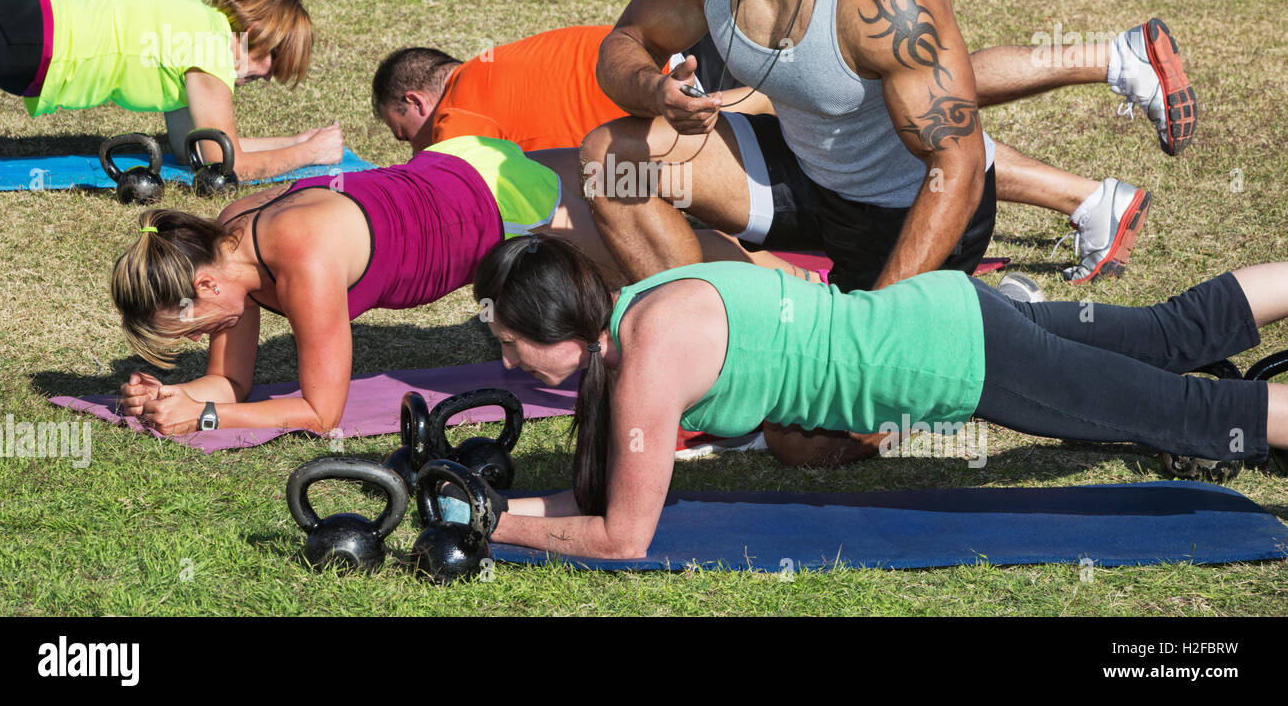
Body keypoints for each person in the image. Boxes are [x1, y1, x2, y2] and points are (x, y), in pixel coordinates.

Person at [586, 0, 1193, 295]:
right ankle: (690, 335)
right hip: (807, 175)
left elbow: (957, 167)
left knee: (840, 407)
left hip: (903, 211)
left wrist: (882, 321)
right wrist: (656, 92)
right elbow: (625, 42)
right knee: (610, 159)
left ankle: (994, 314)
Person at [470, 235, 1284, 560]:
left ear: (560, 324)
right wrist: (487, 507)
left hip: (956, 359)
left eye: (511, 342)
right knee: (1170, 331)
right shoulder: (645, 299)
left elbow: (623, 536)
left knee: (1196, 417)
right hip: (948, 308)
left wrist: (493, 525)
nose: (508, 361)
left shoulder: (647, 363)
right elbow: (603, 498)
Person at [110, 136, 809, 435]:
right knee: (649, 222)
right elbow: (231, 383)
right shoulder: (227, 242)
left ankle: (796, 295)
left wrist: (208, 419)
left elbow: (322, 412)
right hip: (452, 169)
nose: (206, 337)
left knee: (661, 266)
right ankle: (783, 264)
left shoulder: (304, 258)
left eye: (193, 327)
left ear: (205, 284)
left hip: (499, 200)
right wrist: (177, 397)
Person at [372, 27, 1175, 281]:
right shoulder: (503, 64)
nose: (417, 144)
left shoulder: (459, 114)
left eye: (404, 131)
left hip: (697, 104)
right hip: (690, 84)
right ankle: (1091, 195)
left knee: (905, 104)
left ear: (415, 103)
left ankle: (1110, 61)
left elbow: (436, 193)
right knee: (897, 120)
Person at [0, 0, 343, 179]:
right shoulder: (212, 49)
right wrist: (308, 153)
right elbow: (224, 163)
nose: (267, 78)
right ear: (254, 33)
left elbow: (195, 150)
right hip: (29, 36)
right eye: (274, 63)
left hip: (23, 9)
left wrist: (295, 141)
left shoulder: (202, 27)